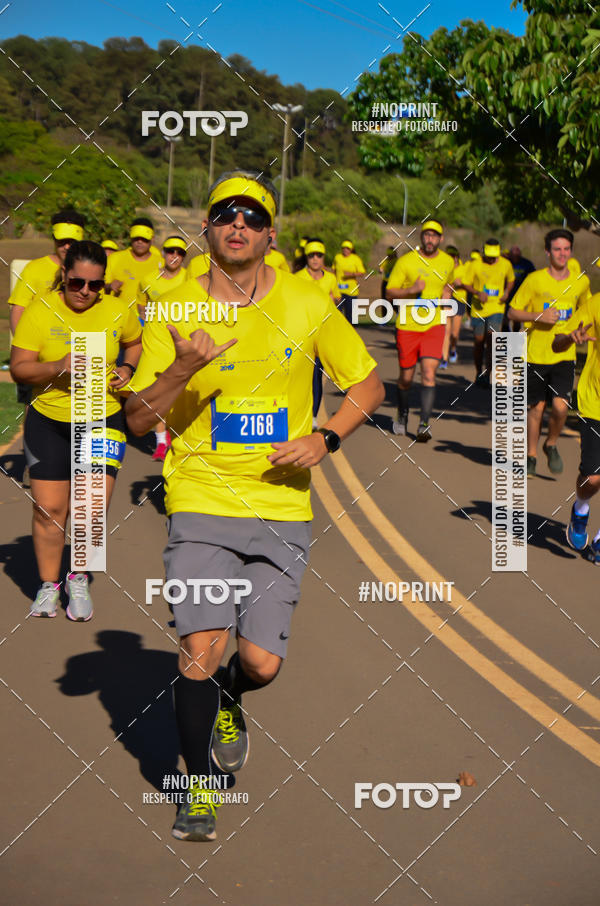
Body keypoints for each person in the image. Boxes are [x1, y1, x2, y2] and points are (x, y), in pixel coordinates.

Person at [125, 169, 384, 842]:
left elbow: (367, 385)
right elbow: (135, 419)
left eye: (252, 216)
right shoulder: (174, 305)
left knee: (261, 663)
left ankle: (231, 697)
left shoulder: (307, 301)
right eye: (225, 214)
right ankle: (197, 791)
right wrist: (181, 369)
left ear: (270, 234)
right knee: (199, 648)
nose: (237, 224)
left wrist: (326, 438)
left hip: (281, 504)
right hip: (200, 495)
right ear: (206, 229)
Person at [10, 240, 142, 619]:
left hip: (101, 417)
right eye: (77, 282)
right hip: (49, 420)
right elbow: (19, 368)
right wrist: (58, 367)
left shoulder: (117, 310)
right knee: (49, 510)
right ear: (64, 275)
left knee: (90, 509)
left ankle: (78, 578)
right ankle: (49, 586)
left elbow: (134, 343)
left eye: (95, 285)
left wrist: (128, 368)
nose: (85, 291)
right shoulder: (41, 311)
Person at [508, 229, 591, 478]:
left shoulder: (581, 282)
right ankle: (531, 457)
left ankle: (551, 443)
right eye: (557, 249)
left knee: (561, 407)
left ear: (571, 251)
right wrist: (538, 316)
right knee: (536, 409)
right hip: (536, 354)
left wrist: (581, 331)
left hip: (565, 354)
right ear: (547, 252)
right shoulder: (534, 280)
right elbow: (512, 312)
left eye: (566, 249)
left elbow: (587, 312)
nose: (562, 254)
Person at [8, 210, 85, 411]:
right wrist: (26, 351)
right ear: (53, 238)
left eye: (72, 241)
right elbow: (18, 310)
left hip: (75, 356)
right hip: (37, 357)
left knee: (79, 412)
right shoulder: (34, 269)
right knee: (32, 407)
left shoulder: (87, 271)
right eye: (61, 241)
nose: (66, 246)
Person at [385, 220, 455, 440]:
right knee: (406, 378)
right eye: (426, 235)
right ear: (421, 237)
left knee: (429, 373)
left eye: (434, 235)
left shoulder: (447, 261)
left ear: (441, 239)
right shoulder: (406, 262)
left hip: (434, 325)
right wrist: (412, 290)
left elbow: (449, 283)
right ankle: (402, 414)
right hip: (408, 326)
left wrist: (447, 293)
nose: (429, 239)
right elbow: (390, 293)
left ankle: (424, 424)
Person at [552, 301, 600, 561]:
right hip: (595, 403)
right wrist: (571, 338)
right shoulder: (596, 303)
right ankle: (581, 508)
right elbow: (557, 344)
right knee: (592, 479)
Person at [142, 236, 189, 461]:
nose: (175, 256)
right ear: (163, 252)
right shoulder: (148, 280)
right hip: (157, 345)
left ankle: (179, 436)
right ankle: (161, 442)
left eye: (180, 253)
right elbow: (142, 310)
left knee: (180, 393)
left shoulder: (190, 279)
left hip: (183, 344)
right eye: (171, 251)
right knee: (158, 392)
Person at [294, 238, 341, 427]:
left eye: (319, 255)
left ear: (323, 258)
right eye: (312, 255)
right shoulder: (297, 277)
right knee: (300, 375)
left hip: (322, 333)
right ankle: (298, 412)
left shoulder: (330, 278)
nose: (315, 259)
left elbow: (337, 300)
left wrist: (333, 301)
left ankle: (313, 416)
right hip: (302, 332)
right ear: (306, 257)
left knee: (316, 374)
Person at [463, 239, 515, 385]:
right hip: (479, 308)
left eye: (494, 257)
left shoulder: (506, 264)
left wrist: (507, 291)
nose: (492, 260)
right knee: (479, 342)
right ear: (483, 253)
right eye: (489, 257)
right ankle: (478, 372)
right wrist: (477, 292)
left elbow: (511, 280)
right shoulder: (475, 264)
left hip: (497, 307)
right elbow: (466, 283)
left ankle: (487, 374)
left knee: (492, 340)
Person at [104, 217, 162, 310]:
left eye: (144, 239)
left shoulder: (161, 263)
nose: (140, 242)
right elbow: (100, 286)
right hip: (120, 315)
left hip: (149, 316)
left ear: (152, 239)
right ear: (130, 238)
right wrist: (109, 286)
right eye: (136, 238)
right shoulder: (115, 258)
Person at [442, 246, 470, 367]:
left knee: (455, 333)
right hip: (448, 300)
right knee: (446, 331)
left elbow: (469, 285)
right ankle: (444, 359)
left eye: (453, 257)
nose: (451, 259)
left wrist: (461, 284)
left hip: (459, 300)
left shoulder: (464, 269)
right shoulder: (444, 269)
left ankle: (453, 349)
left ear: (457, 257)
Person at [333, 240, 366, 321]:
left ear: (351, 249)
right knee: (337, 313)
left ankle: (351, 327)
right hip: (339, 291)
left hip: (351, 291)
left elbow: (362, 273)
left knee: (350, 315)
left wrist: (351, 274)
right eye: (344, 248)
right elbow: (334, 270)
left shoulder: (355, 259)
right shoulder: (337, 257)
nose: (345, 250)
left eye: (348, 248)